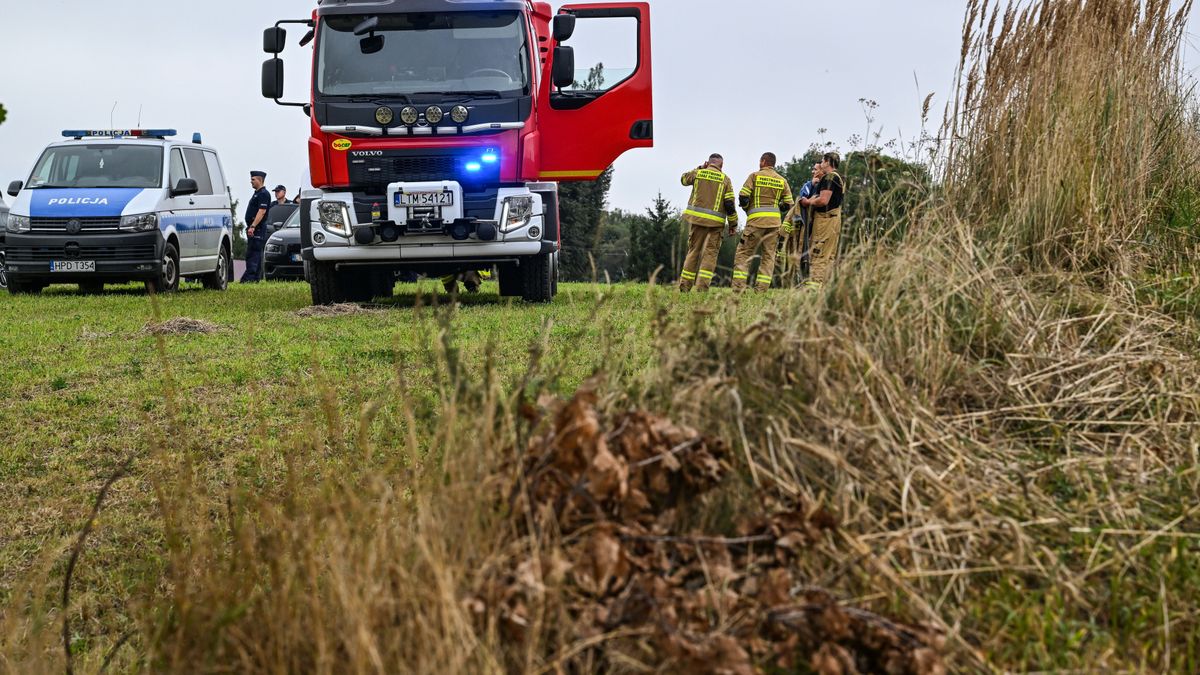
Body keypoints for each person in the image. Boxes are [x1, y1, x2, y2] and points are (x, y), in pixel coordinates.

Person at [732, 153, 794, 292]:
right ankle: (761, 290)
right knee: (769, 257)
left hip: (755, 222)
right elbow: (790, 204)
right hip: (774, 225)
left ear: (763, 161)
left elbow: (743, 196)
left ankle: (738, 289)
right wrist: (778, 208)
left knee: (744, 255)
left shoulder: (754, 176)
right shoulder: (782, 180)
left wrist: (747, 208)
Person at [679, 153, 737, 292]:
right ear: (721, 165)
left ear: (708, 163)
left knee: (693, 252)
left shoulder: (698, 173)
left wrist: (699, 167)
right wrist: (733, 224)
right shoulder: (725, 179)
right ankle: (701, 289)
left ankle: (685, 287)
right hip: (715, 225)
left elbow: (683, 180)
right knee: (710, 255)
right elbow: (729, 204)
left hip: (697, 221)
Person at [799, 153, 845, 287]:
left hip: (824, 221)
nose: (821, 164)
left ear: (828, 162)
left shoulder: (829, 177)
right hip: (835, 221)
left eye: (823, 161)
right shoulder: (840, 177)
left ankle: (813, 291)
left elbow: (823, 200)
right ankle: (825, 289)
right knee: (829, 256)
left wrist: (808, 202)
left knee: (818, 255)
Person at [781, 163, 821, 285]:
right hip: (805, 227)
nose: (812, 172)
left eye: (815, 169)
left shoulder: (826, 185)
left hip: (820, 225)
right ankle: (799, 282)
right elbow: (802, 201)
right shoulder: (808, 185)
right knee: (801, 254)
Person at [240, 171, 272, 283]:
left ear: (259, 180)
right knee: (255, 253)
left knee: (253, 254)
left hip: (257, 228)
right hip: (255, 227)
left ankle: (249, 278)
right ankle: (255, 278)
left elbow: (262, 211)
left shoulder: (263, 193)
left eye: (253, 179)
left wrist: (253, 226)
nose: (251, 181)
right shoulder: (257, 193)